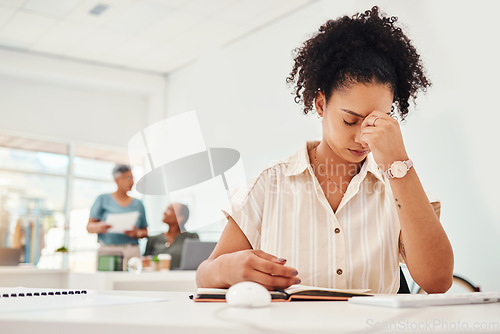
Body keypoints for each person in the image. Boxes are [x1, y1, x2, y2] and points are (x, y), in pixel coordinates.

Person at [197, 6, 454, 294]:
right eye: (349, 120)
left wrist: (399, 163)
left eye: (376, 123)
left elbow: (437, 281)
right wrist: (228, 268)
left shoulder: (398, 188)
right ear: (321, 104)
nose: (362, 138)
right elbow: (205, 275)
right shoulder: (269, 185)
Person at [87, 164, 148, 270]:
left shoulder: (138, 204)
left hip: (132, 251)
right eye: (128, 178)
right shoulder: (103, 199)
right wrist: (100, 227)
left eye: (133, 178)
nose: (132, 182)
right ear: (116, 180)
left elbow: (145, 232)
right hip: (108, 250)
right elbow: (89, 227)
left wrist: (136, 233)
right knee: (106, 282)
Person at [144, 203, 199, 269]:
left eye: (170, 210)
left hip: (182, 277)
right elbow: (145, 263)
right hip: (157, 277)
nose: (164, 212)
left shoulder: (191, 238)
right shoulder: (154, 239)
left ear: (180, 218)